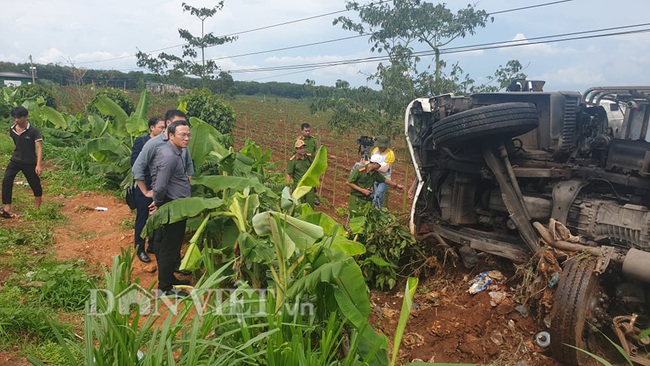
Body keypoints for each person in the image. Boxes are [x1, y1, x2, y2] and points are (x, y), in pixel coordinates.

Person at [132, 110, 194, 272]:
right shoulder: (154, 143)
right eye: (179, 125)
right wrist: (146, 191)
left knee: (162, 234)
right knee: (144, 221)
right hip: (153, 189)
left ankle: (165, 261)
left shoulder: (182, 145)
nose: (185, 133)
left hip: (170, 196)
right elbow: (138, 166)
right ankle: (140, 248)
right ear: (169, 125)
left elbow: (188, 167)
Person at [150, 120, 192, 297]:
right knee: (170, 247)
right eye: (182, 134)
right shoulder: (169, 156)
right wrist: (158, 203)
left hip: (173, 204)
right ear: (171, 135)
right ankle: (165, 288)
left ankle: (168, 279)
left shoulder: (174, 152)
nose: (187, 138)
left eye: (189, 134)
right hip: (171, 206)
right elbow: (160, 186)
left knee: (168, 245)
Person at [130, 116, 165, 263]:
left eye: (164, 128)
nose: (163, 130)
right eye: (160, 127)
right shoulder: (142, 142)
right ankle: (140, 248)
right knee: (143, 217)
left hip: (158, 186)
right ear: (152, 128)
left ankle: (152, 245)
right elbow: (135, 163)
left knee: (156, 217)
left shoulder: (164, 143)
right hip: (144, 186)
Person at [2, 106, 43, 218]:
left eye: (19, 118)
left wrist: (38, 165)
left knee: (35, 184)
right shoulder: (12, 129)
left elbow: (39, 148)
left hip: (29, 162)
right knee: (6, 181)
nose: (16, 120)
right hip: (15, 160)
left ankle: (37, 209)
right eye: (14, 118)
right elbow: (15, 143)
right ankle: (7, 207)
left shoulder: (33, 131)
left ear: (25, 117)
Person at [286, 139, 315, 206]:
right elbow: (289, 174)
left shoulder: (308, 157)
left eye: (304, 148)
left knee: (310, 203)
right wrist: (288, 187)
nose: (303, 150)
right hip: (298, 186)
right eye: (300, 148)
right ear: (296, 150)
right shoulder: (293, 160)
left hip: (308, 184)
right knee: (299, 205)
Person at [369, 136, 395, 208]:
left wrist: (371, 167)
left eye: (382, 146)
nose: (380, 148)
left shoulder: (390, 153)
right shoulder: (375, 150)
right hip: (374, 176)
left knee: (378, 195)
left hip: (384, 178)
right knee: (372, 195)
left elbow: (385, 169)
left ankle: (378, 212)